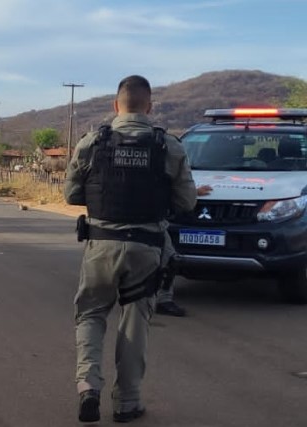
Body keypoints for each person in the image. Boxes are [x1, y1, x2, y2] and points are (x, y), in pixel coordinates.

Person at [64, 75, 197, 423]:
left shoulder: (91, 143)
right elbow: (186, 201)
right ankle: (128, 402)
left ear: (115, 106)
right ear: (150, 107)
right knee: (135, 322)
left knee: (91, 314)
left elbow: (71, 195)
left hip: (101, 244)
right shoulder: (169, 146)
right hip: (146, 247)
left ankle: (88, 386)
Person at [156, 184, 214, 317]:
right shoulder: (160, 163)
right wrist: (192, 192)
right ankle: (162, 300)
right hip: (148, 220)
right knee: (169, 257)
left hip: (112, 218)